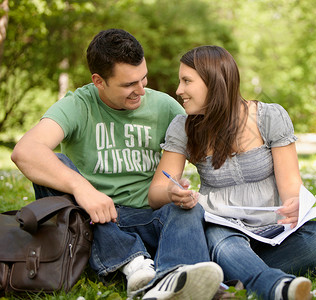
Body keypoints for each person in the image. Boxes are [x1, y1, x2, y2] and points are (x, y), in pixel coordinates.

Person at [10, 29, 223, 300]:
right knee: (54, 164)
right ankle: (134, 264)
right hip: (93, 223)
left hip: (148, 217)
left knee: (186, 209)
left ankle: (172, 280)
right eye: (128, 85)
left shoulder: (164, 107)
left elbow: (211, 156)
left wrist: (175, 191)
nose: (141, 90)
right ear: (98, 81)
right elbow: (25, 151)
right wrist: (82, 189)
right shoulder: (78, 105)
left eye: (143, 78)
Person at [148, 45, 316, 300]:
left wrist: (295, 203)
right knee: (222, 241)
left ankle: (232, 276)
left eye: (186, 81)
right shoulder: (183, 127)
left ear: (213, 82)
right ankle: (273, 286)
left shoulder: (269, 117)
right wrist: (172, 192)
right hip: (225, 230)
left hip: (273, 232)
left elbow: (291, 185)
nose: (178, 90)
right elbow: (156, 193)